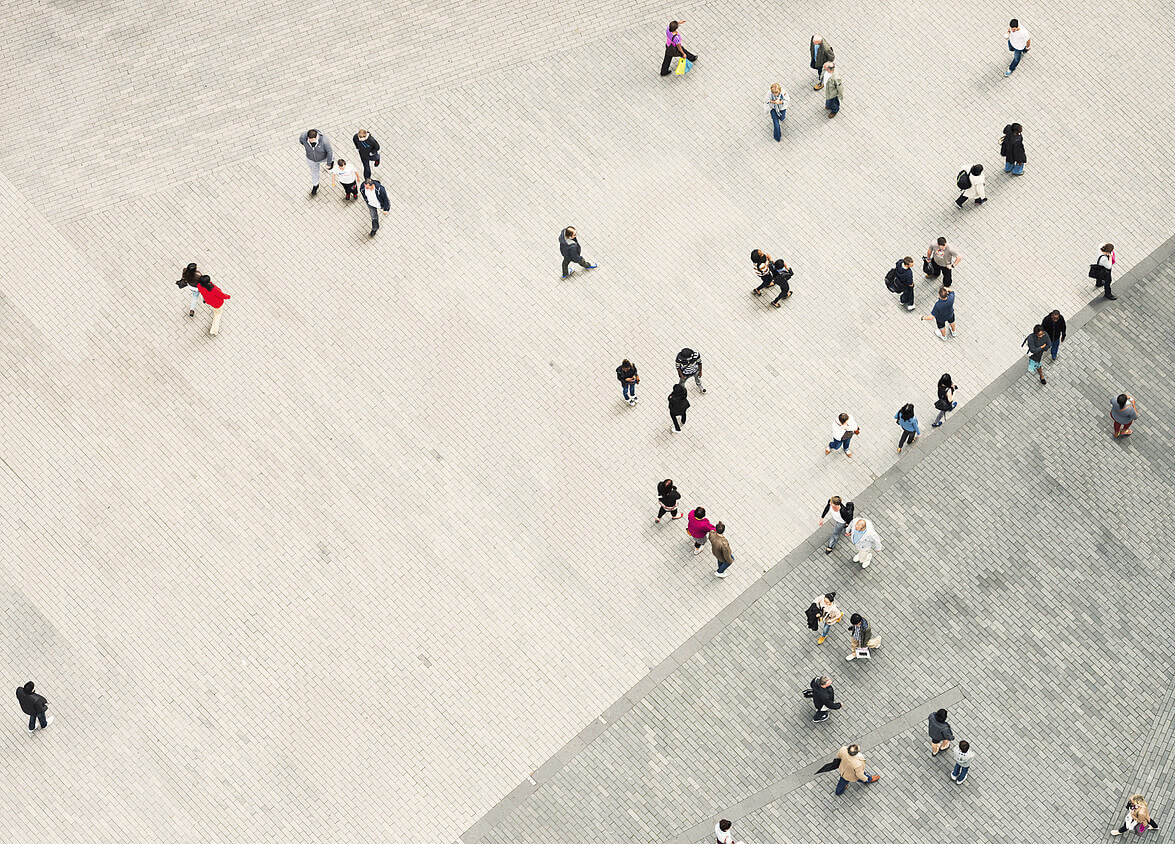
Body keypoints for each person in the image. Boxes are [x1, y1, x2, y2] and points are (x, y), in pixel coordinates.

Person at [298, 129, 334, 196]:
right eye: (309, 140)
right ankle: (315, 185)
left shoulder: (324, 141)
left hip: (323, 157)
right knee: (314, 173)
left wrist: (329, 163)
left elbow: (329, 152)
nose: (311, 142)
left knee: (331, 157)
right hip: (311, 159)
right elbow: (301, 142)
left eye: (312, 140)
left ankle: (331, 162)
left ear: (316, 137)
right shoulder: (303, 137)